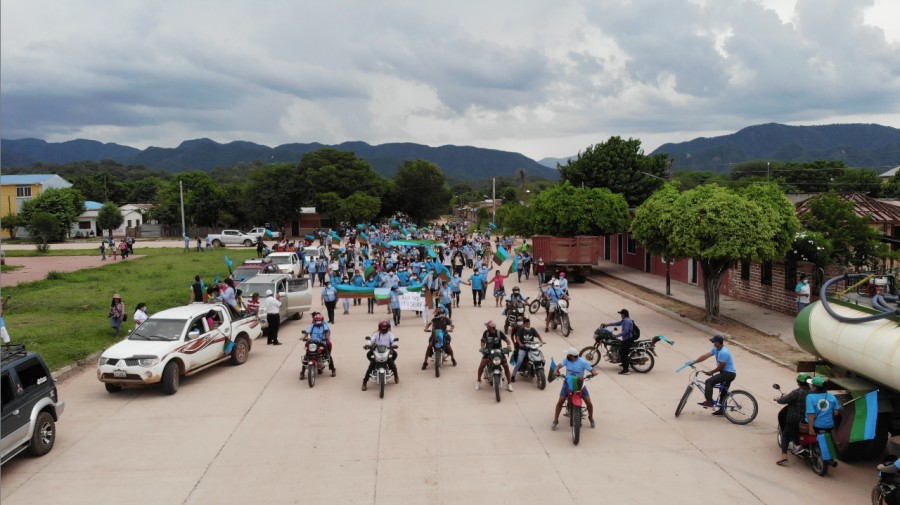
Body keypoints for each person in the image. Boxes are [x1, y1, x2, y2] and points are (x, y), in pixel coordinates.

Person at [689, 335, 737, 415]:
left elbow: (721, 366)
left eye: (714, 342)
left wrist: (712, 372)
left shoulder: (724, 352)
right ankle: (722, 410)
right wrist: (694, 361)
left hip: (729, 374)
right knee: (723, 391)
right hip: (725, 373)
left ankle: (709, 402)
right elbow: (705, 356)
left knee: (709, 382)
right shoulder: (716, 349)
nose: (713, 343)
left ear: (718, 343)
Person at [551, 347, 598, 430]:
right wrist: (555, 370)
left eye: (568, 354)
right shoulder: (567, 360)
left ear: (572, 356)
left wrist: (594, 373)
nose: (567, 356)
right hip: (568, 383)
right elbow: (558, 366)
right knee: (560, 401)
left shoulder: (583, 362)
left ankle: (591, 418)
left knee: (589, 403)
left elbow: (591, 369)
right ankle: (555, 420)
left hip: (580, 384)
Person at [775, 373, 811, 466]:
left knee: (785, 434)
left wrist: (777, 399)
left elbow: (784, 400)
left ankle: (784, 457)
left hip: (795, 420)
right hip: (808, 420)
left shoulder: (796, 392)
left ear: (799, 383)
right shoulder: (813, 392)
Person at [806, 376, 841, 461]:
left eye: (812, 385)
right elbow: (836, 413)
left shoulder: (810, 397)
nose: (811, 387)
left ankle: (805, 448)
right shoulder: (832, 396)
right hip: (829, 425)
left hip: (816, 425)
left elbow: (811, 414)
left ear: (815, 387)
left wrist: (811, 429)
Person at [476, 321, 513, 392]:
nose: (487, 327)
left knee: (505, 365)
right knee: (482, 365)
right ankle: (478, 380)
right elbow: (483, 341)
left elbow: (507, 341)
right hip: (488, 352)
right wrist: (482, 348)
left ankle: (509, 383)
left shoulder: (499, 333)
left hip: (499, 352)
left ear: (491, 327)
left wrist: (508, 346)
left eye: (487, 326)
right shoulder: (486, 333)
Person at [362, 320, 397, 390]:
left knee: (392, 364)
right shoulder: (376, 334)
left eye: (385, 327)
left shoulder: (390, 334)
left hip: (387, 351)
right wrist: (367, 345)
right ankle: (364, 382)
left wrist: (394, 345)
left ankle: (396, 376)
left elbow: (393, 340)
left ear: (388, 327)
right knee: (370, 366)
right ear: (380, 327)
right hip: (377, 351)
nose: (384, 328)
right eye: (382, 327)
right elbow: (371, 340)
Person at [302, 313, 335, 378]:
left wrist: (326, 337)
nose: (318, 322)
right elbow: (307, 332)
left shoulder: (324, 326)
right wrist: (304, 337)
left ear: (322, 320)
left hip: (321, 343)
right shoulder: (312, 325)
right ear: (314, 320)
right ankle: (302, 372)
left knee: (327, 355)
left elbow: (327, 332)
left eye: (319, 320)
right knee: (307, 356)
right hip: (312, 343)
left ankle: (333, 369)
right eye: (316, 320)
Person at [603, 309, 635, 375]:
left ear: (623, 314)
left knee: (623, 353)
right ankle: (625, 363)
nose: (620, 315)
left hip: (628, 340)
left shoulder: (627, 321)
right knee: (621, 350)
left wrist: (617, 335)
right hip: (626, 339)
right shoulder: (624, 320)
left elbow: (626, 331)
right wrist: (607, 325)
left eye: (621, 314)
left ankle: (626, 370)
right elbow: (617, 323)